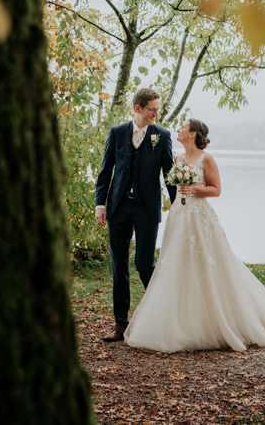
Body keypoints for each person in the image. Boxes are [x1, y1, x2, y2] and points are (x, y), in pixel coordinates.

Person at [124, 118, 265, 353]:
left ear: (193, 134)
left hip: (199, 217)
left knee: (207, 263)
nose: (178, 130)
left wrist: (193, 189)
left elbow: (216, 190)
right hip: (179, 215)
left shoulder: (207, 159)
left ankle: (215, 320)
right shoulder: (179, 159)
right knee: (178, 263)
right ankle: (182, 319)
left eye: (182, 128)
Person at [95, 87, 176, 342]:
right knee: (119, 265)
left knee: (143, 263)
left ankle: (161, 314)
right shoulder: (117, 132)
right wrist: (100, 204)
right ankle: (121, 324)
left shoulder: (162, 136)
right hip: (118, 207)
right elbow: (105, 171)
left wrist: (179, 206)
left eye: (158, 109)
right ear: (138, 109)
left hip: (146, 209)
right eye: (152, 109)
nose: (156, 114)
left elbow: (169, 174)